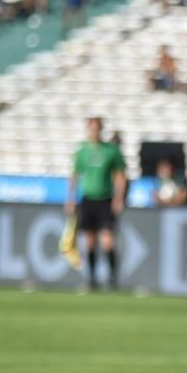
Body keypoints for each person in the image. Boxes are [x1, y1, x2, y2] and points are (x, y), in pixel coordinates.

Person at [65, 117, 127, 290]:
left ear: (101, 130)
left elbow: (120, 175)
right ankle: (91, 278)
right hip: (87, 198)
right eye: (91, 128)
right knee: (90, 241)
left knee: (107, 240)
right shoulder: (82, 150)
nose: (94, 132)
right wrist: (70, 198)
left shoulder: (111, 151)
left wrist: (119, 197)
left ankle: (113, 278)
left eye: (96, 128)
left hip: (105, 199)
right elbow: (75, 174)